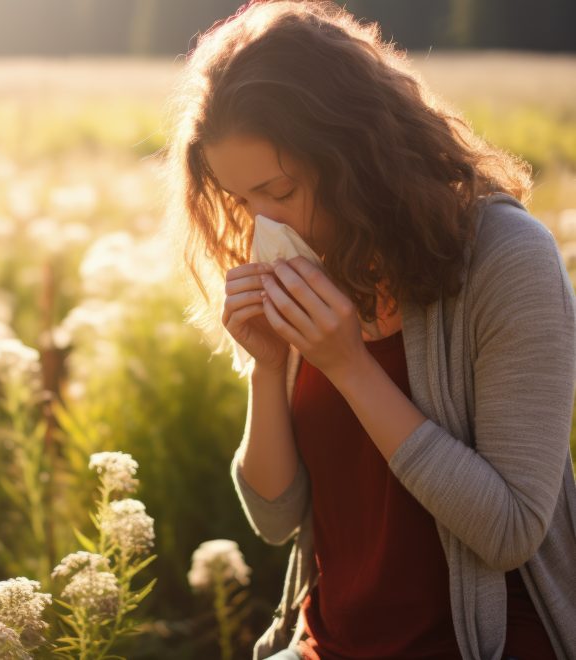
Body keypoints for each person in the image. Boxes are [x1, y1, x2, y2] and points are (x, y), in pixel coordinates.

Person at [162, 1, 576, 659]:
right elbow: (274, 519)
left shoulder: (507, 258)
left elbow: (510, 531)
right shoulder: (313, 262)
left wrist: (348, 366)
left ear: (354, 153)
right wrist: (269, 368)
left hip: (477, 643)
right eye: (244, 201)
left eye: (280, 190)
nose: (264, 224)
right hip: (330, 643)